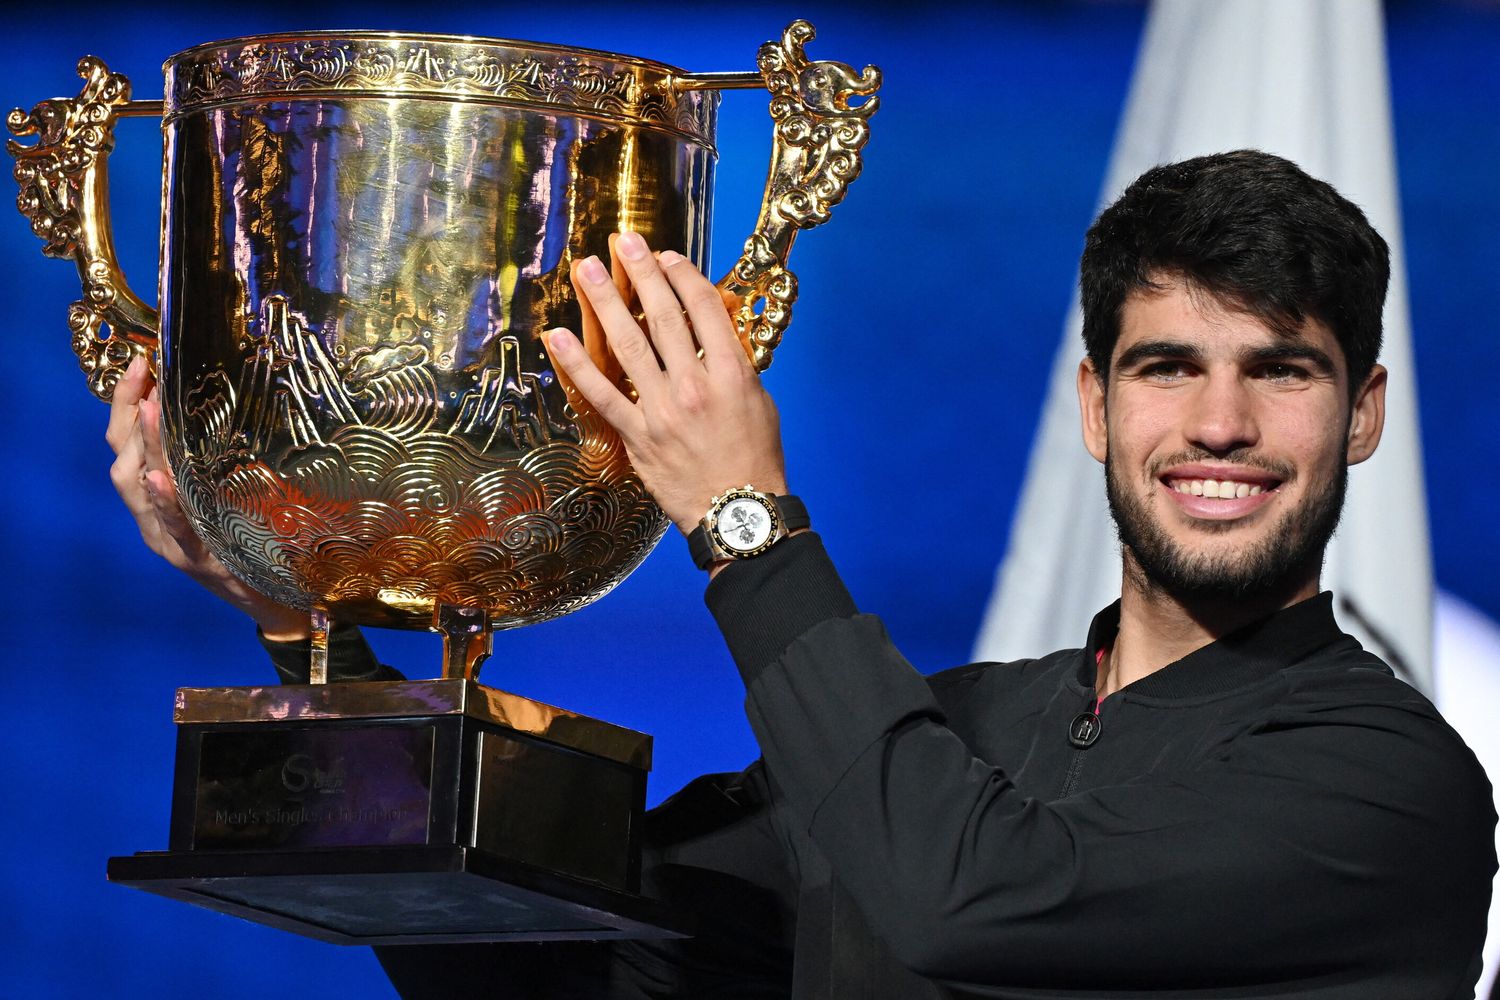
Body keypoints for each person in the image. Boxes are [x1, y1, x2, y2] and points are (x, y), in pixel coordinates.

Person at [109, 150, 1495, 998]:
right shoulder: (947, 733)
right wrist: (307, 622)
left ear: (1363, 413)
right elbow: (529, 953)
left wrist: (743, 517)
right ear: (1094, 405)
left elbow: (966, 903)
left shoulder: (1386, 783)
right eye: (1168, 367)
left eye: (1282, 372)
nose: (1219, 426)